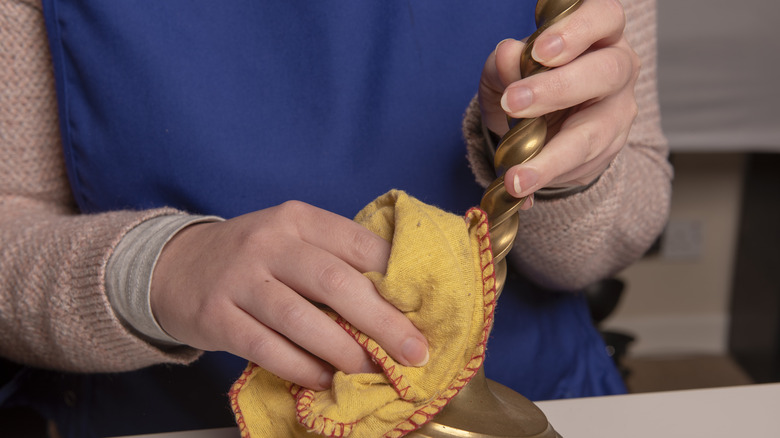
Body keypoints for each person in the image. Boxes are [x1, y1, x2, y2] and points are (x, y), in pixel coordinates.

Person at [0, 0, 672, 436]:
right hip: (161, 418)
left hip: (541, 395)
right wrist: (158, 270)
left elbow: (607, 242)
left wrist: (556, 169)